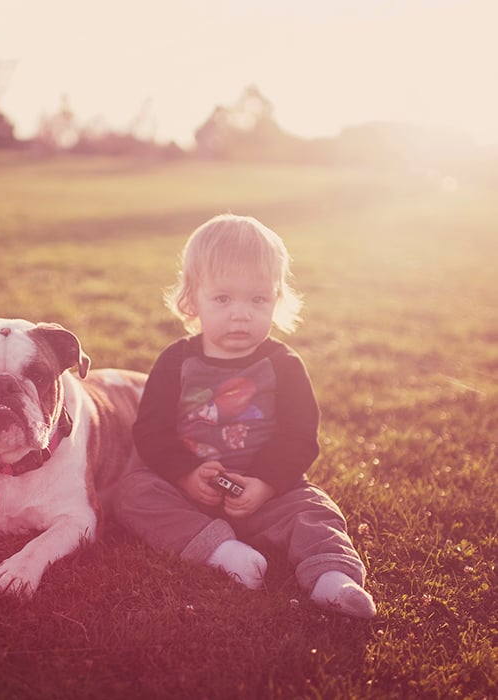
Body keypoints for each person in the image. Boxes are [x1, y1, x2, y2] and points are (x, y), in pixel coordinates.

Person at [114, 213, 376, 618]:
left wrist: (266, 484)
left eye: (258, 299)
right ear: (192, 301)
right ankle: (221, 551)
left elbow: (299, 435)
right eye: (223, 299)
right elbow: (150, 429)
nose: (242, 313)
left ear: (277, 299)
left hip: (266, 494)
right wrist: (185, 473)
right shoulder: (175, 362)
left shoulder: (283, 364)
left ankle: (332, 578)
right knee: (133, 493)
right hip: (190, 493)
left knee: (315, 510)